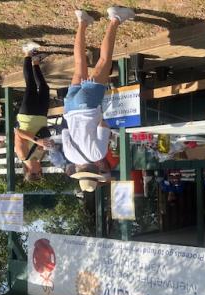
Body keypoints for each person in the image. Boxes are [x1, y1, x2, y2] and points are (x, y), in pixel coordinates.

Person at [63, 7, 135, 193]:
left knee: (104, 61)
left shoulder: (97, 154)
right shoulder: (70, 156)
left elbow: (103, 125)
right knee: (79, 65)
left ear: (95, 170)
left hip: (88, 106)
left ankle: (115, 19)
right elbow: (64, 132)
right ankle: (82, 21)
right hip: (70, 107)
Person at [14, 42, 54, 182]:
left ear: (31, 171)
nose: (42, 169)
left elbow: (18, 133)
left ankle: (27, 53)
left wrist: (38, 141)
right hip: (41, 117)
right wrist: (47, 144)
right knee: (44, 88)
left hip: (28, 116)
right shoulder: (39, 157)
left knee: (30, 85)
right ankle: (36, 62)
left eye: (39, 172)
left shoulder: (22, 155)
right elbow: (42, 141)